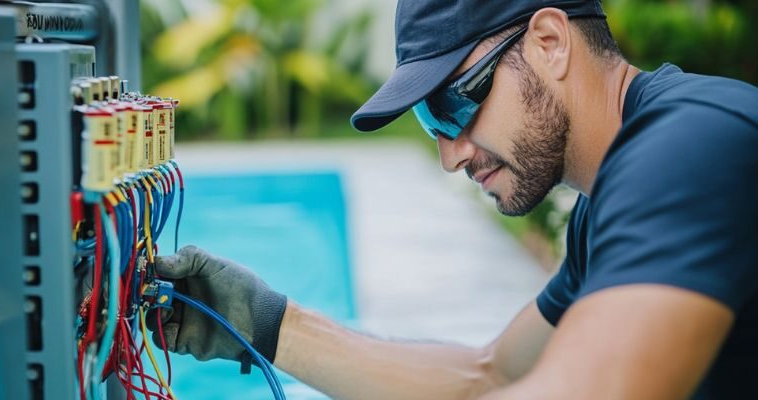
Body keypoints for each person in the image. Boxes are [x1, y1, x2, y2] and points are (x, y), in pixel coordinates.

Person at [148, 0, 758, 398]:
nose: (450, 153)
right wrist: (272, 324)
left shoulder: (692, 144)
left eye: (453, 104)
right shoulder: (606, 205)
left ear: (549, 42)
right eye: (429, 120)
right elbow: (490, 373)